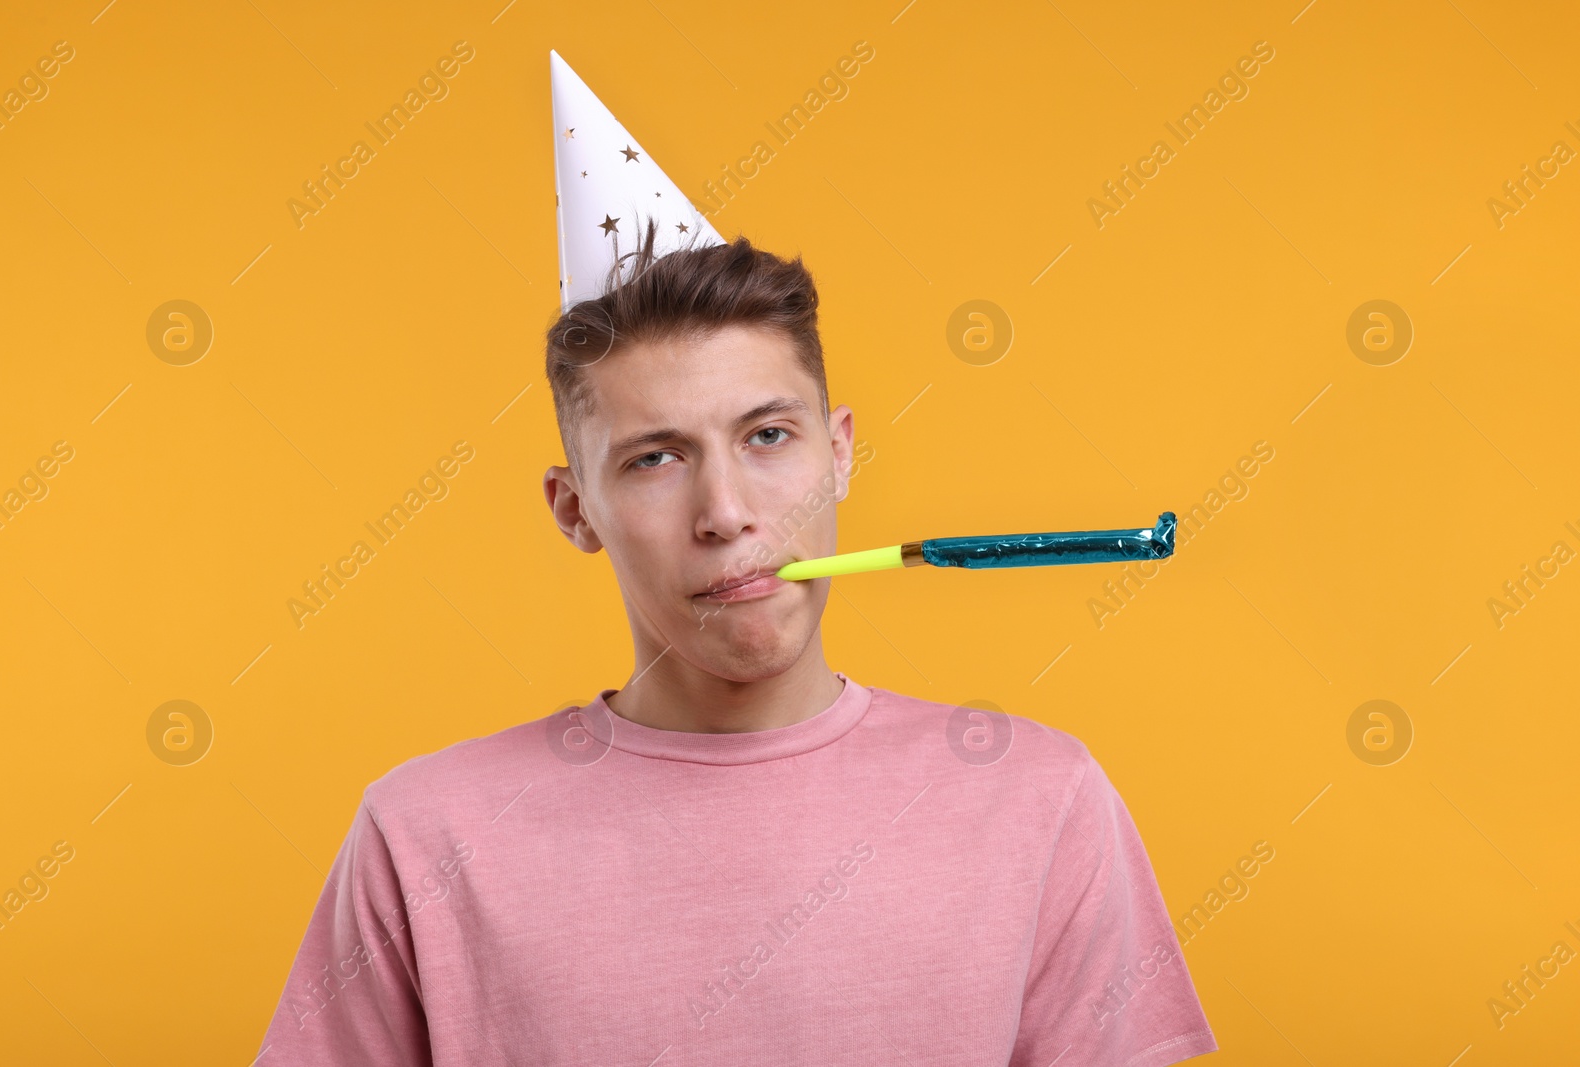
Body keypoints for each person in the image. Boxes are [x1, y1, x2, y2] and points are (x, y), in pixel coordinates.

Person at [253, 220, 1218, 1065]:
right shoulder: (424, 835)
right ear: (574, 506)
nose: (727, 514)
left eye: (767, 437)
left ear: (838, 453)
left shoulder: (1039, 801)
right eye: (656, 458)